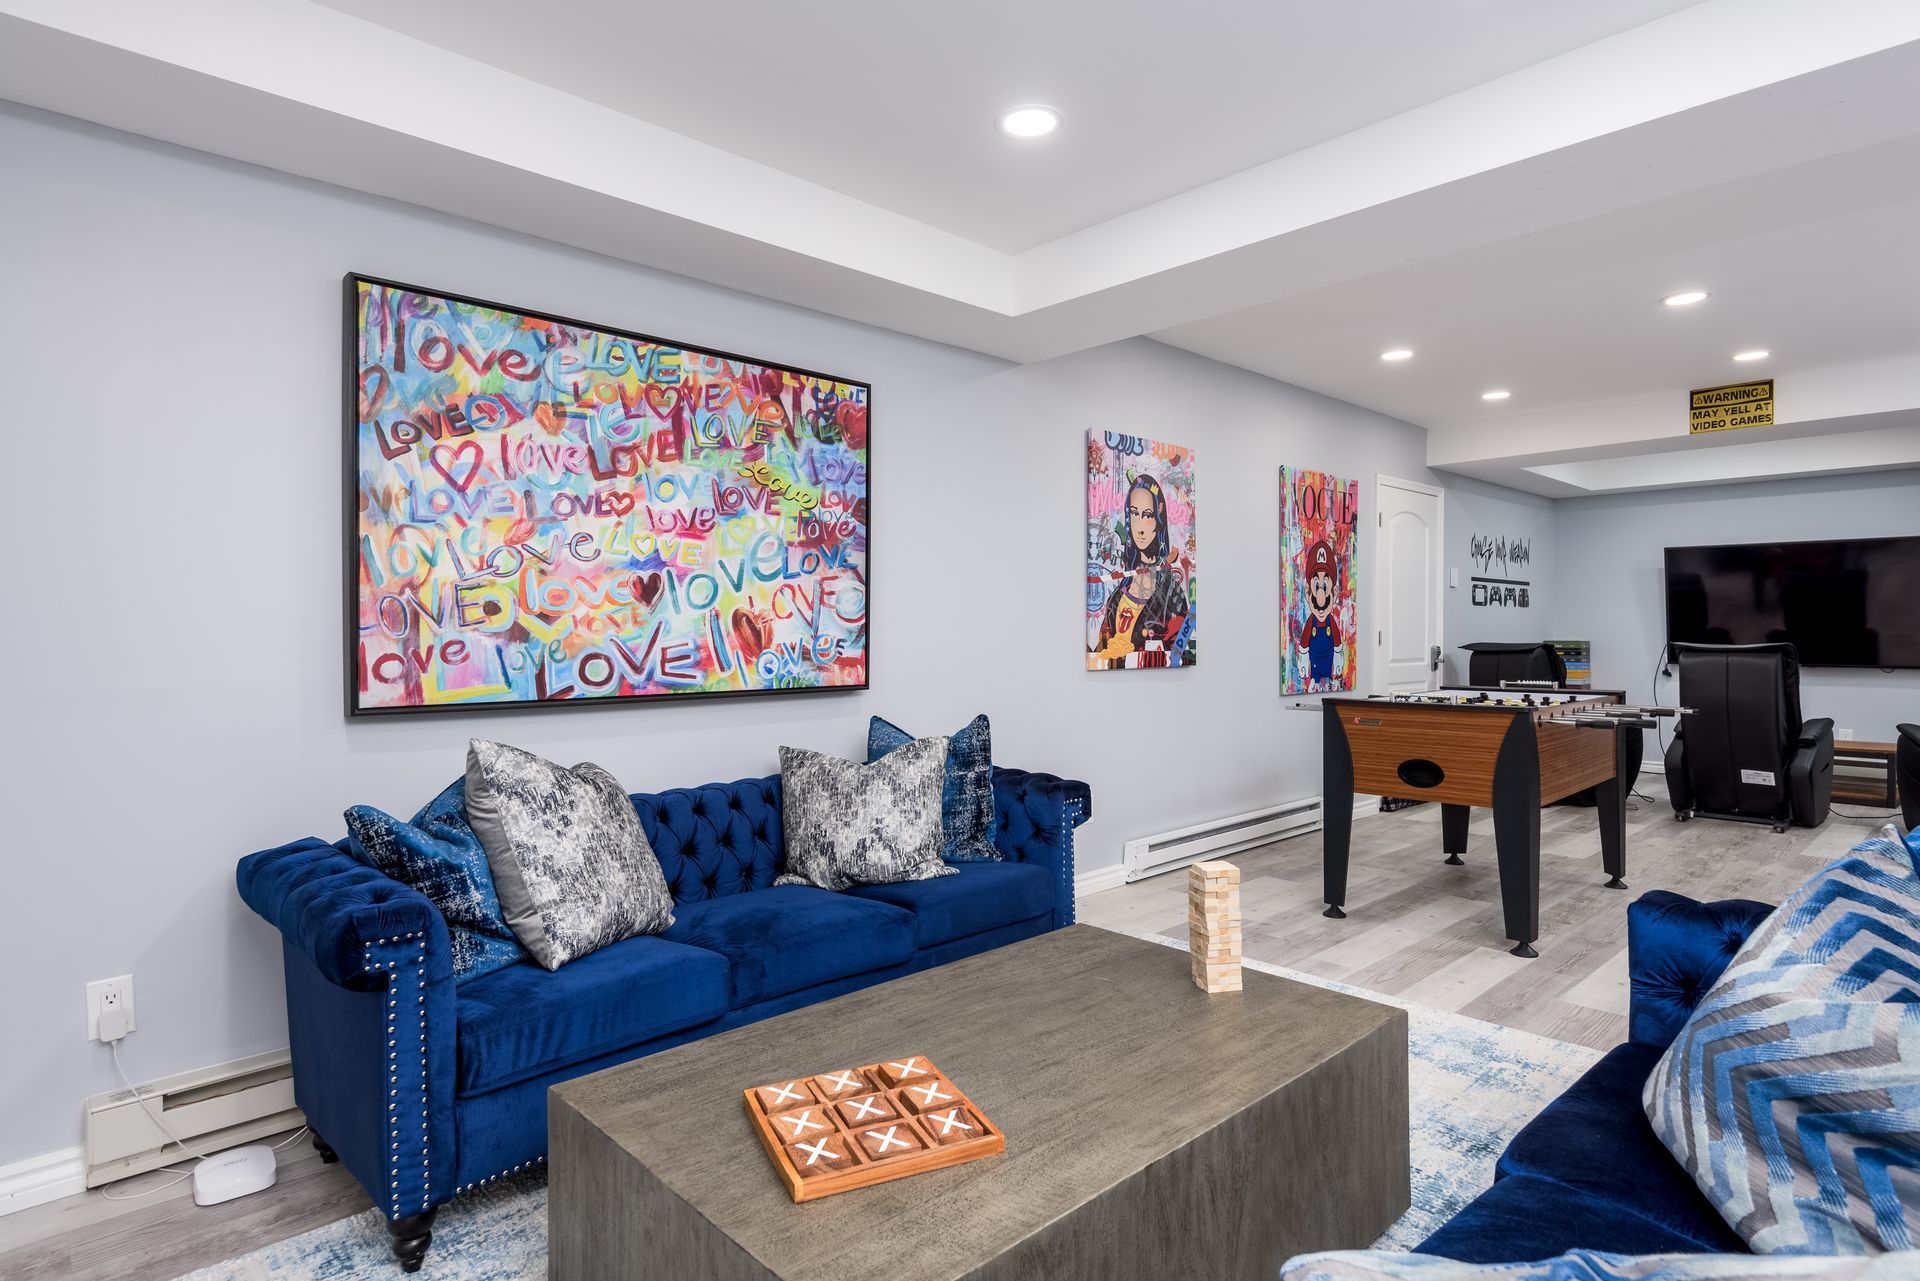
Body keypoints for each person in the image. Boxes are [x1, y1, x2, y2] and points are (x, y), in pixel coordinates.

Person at [1096, 474, 1188, 663]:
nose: (1139, 526)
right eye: (1134, 513)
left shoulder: (1172, 594)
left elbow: (1180, 656)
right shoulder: (1117, 595)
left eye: (1147, 515)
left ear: (1158, 521)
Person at [1298, 539, 1343, 686]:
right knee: (1315, 680)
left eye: (1325, 586)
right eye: (1317, 585)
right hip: (1315, 663)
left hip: (1328, 661)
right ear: (1307, 591)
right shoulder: (1311, 622)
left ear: (1334, 592)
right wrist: (1303, 659)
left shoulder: (1331, 622)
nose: (1321, 598)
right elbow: (1304, 641)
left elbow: (1337, 641)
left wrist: (1338, 657)